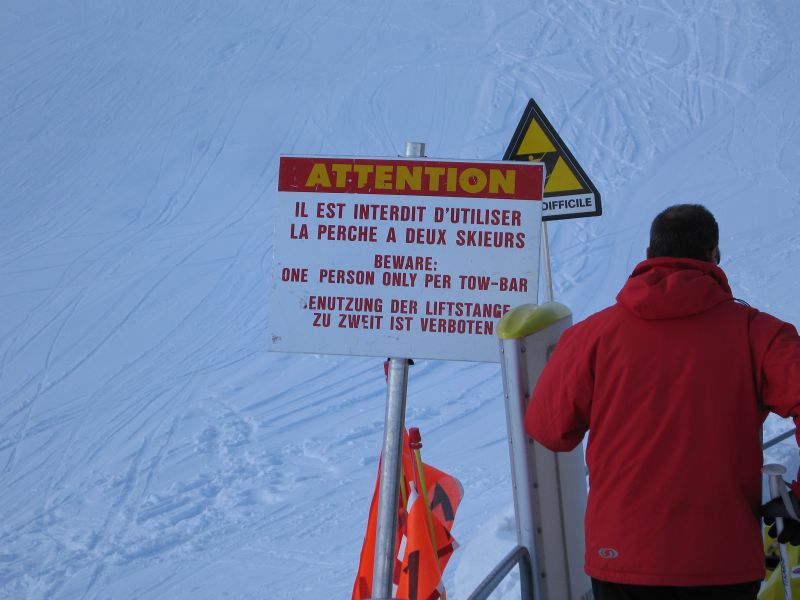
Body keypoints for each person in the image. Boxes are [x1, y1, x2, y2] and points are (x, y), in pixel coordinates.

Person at [524, 204, 800, 600]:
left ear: (649, 256)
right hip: (721, 560)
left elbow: (549, 429)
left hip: (620, 556)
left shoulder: (593, 336)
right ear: (714, 255)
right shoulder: (758, 334)